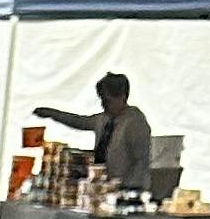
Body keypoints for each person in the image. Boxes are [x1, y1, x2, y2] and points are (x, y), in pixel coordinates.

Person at [41, 71, 156, 204]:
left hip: (128, 193)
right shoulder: (103, 119)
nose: (103, 105)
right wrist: (52, 114)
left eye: (107, 100)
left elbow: (141, 161)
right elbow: (80, 121)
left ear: (122, 97)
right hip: (103, 189)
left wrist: (125, 189)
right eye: (101, 100)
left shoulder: (135, 122)